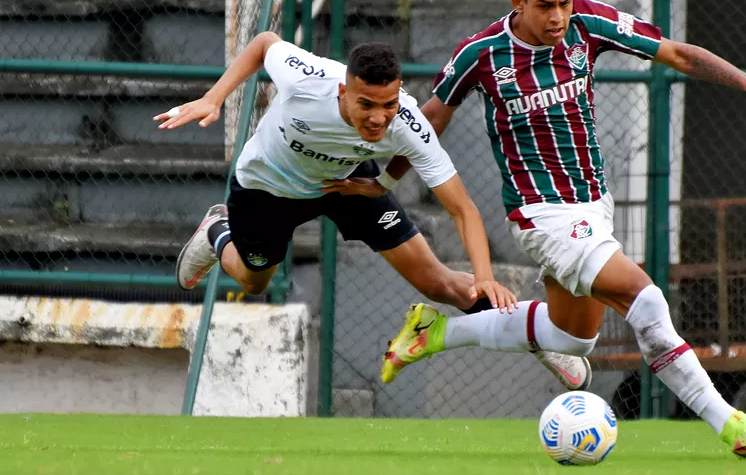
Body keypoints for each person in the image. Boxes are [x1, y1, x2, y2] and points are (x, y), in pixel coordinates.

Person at [331, 0, 746, 457]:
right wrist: (383, 179)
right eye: (545, 5)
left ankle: (434, 333)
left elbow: (674, 53)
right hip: (540, 213)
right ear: (518, 2)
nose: (558, 15)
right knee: (645, 298)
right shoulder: (481, 53)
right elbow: (430, 119)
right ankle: (733, 425)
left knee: (569, 338)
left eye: (564, 1)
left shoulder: (588, 22)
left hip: (592, 206)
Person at [152, 31, 592, 390]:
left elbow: (463, 210)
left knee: (441, 283)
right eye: (366, 104)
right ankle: (217, 231)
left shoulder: (408, 121)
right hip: (268, 189)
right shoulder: (309, 80)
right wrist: (214, 98)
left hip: (348, 186)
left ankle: (534, 334)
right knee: (253, 281)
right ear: (344, 92)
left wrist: (484, 277)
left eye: (389, 104)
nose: (380, 119)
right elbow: (265, 43)